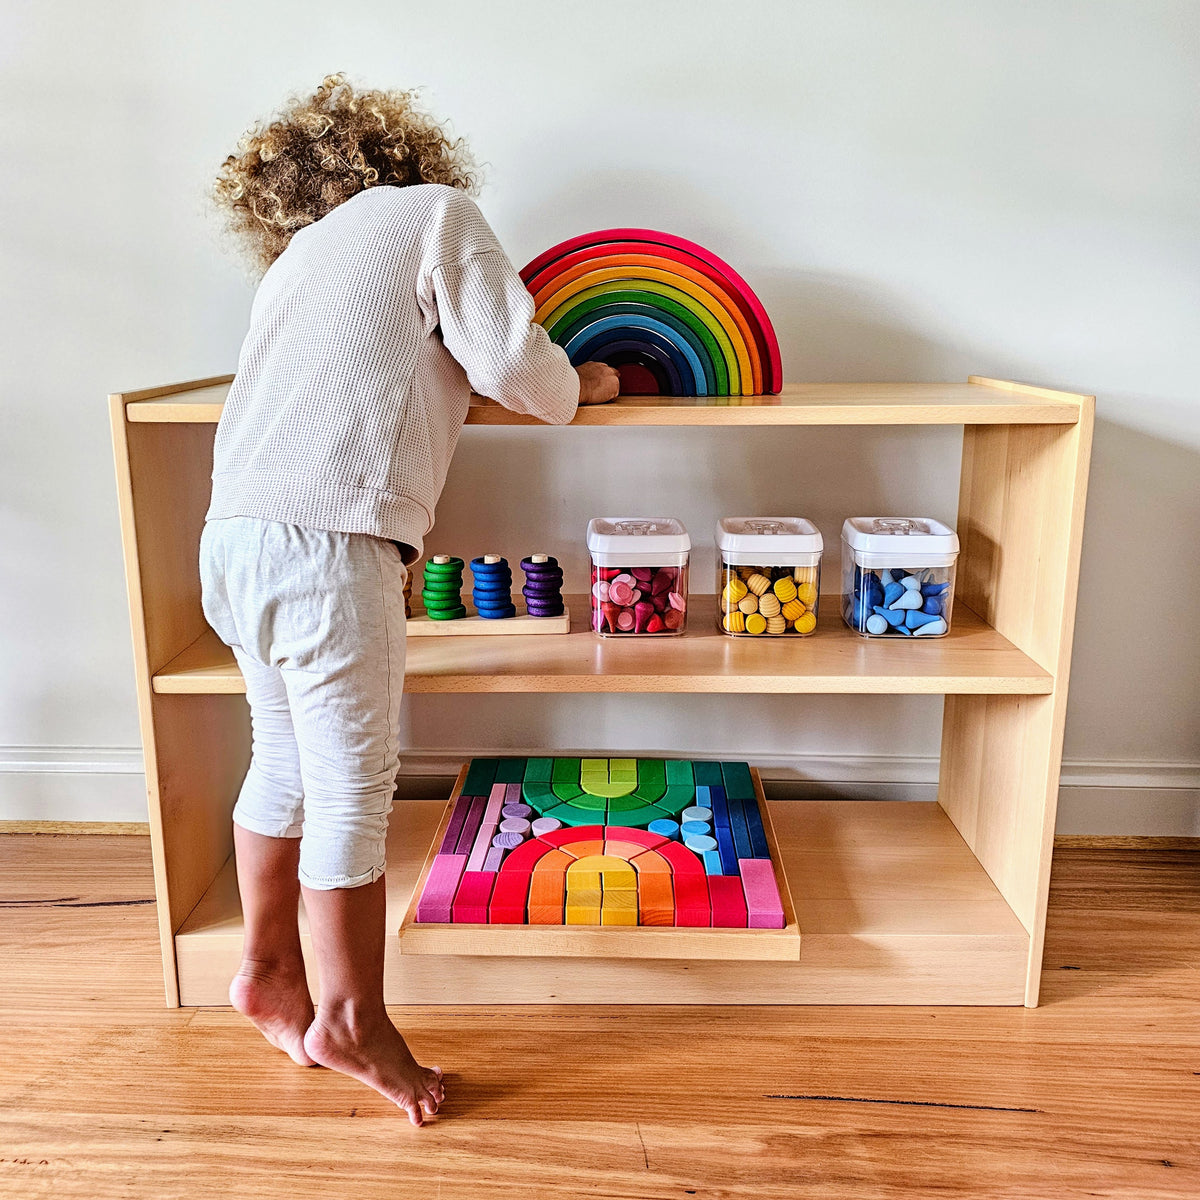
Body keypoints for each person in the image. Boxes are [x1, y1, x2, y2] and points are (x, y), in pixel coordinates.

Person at [200, 74, 619, 1125]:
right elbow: (518, 363)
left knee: (283, 760)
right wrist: (586, 384)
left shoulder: (299, 263)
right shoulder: (437, 212)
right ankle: (350, 1019)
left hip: (234, 537)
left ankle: (268, 972)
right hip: (329, 542)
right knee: (354, 788)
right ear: (406, 155)